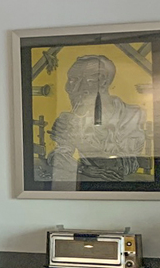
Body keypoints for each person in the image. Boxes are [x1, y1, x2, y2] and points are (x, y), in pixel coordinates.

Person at [46, 54, 149, 186]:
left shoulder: (131, 115)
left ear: (102, 81)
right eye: (70, 80)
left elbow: (123, 166)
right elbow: (57, 156)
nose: (68, 88)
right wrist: (84, 169)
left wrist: (77, 140)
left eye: (74, 80)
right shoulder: (71, 119)